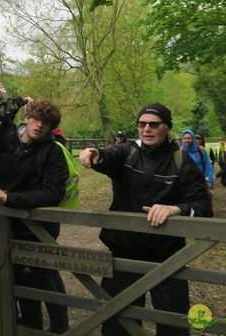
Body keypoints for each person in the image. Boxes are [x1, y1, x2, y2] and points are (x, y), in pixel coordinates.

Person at [80, 103, 213, 336]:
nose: (147, 129)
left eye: (154, 124)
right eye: (142, 124)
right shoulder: (127, 152)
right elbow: (108, 156)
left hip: (167, 258)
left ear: (167, 128)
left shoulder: (182, 161)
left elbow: (203, 206)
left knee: (174, 326)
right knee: (117, 325)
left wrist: (176, 209)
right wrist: (94, 153)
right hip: (123, 255)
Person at [0, 100, 70, 333]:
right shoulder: (9, 139)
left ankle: (54, 328)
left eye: (46, 123)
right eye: (36, 119)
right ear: (28, 118)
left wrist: (10, 197)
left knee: (37, 285)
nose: (39, 126)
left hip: (33, 230)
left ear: (51, 127)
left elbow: (51, 194)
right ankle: (10, 327)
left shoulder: (53, 152)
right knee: (1, 282)